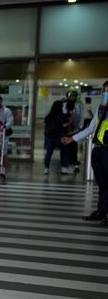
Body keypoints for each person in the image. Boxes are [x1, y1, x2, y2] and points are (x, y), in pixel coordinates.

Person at [63, 80, 108, 225]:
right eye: (104, 90)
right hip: (99, 149)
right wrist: (73, 138)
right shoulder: (101, 108)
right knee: (102, 184)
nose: (105, 93)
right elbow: (90, 129)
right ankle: (101, 211)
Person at [42, 100, 72, 175]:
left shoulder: (49, 116)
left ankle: (46, 168)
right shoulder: (62, 116)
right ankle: (64, 168)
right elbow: (64, 125)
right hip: (60, 136)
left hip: (49, 136)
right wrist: (70, 121)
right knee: (64, 151)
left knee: (48, 153)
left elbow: (45, 124)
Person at [63, 90, 83, 170]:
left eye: (73, 96)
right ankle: (66, 163)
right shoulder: (64, 105)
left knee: (74, 147)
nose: (71, 97)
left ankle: (74, 163)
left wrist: (80, 127)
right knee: (65, 147)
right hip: (65, 129)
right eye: (70, 96)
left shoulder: (78, 106)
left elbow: (81, 116)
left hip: (74, 129)